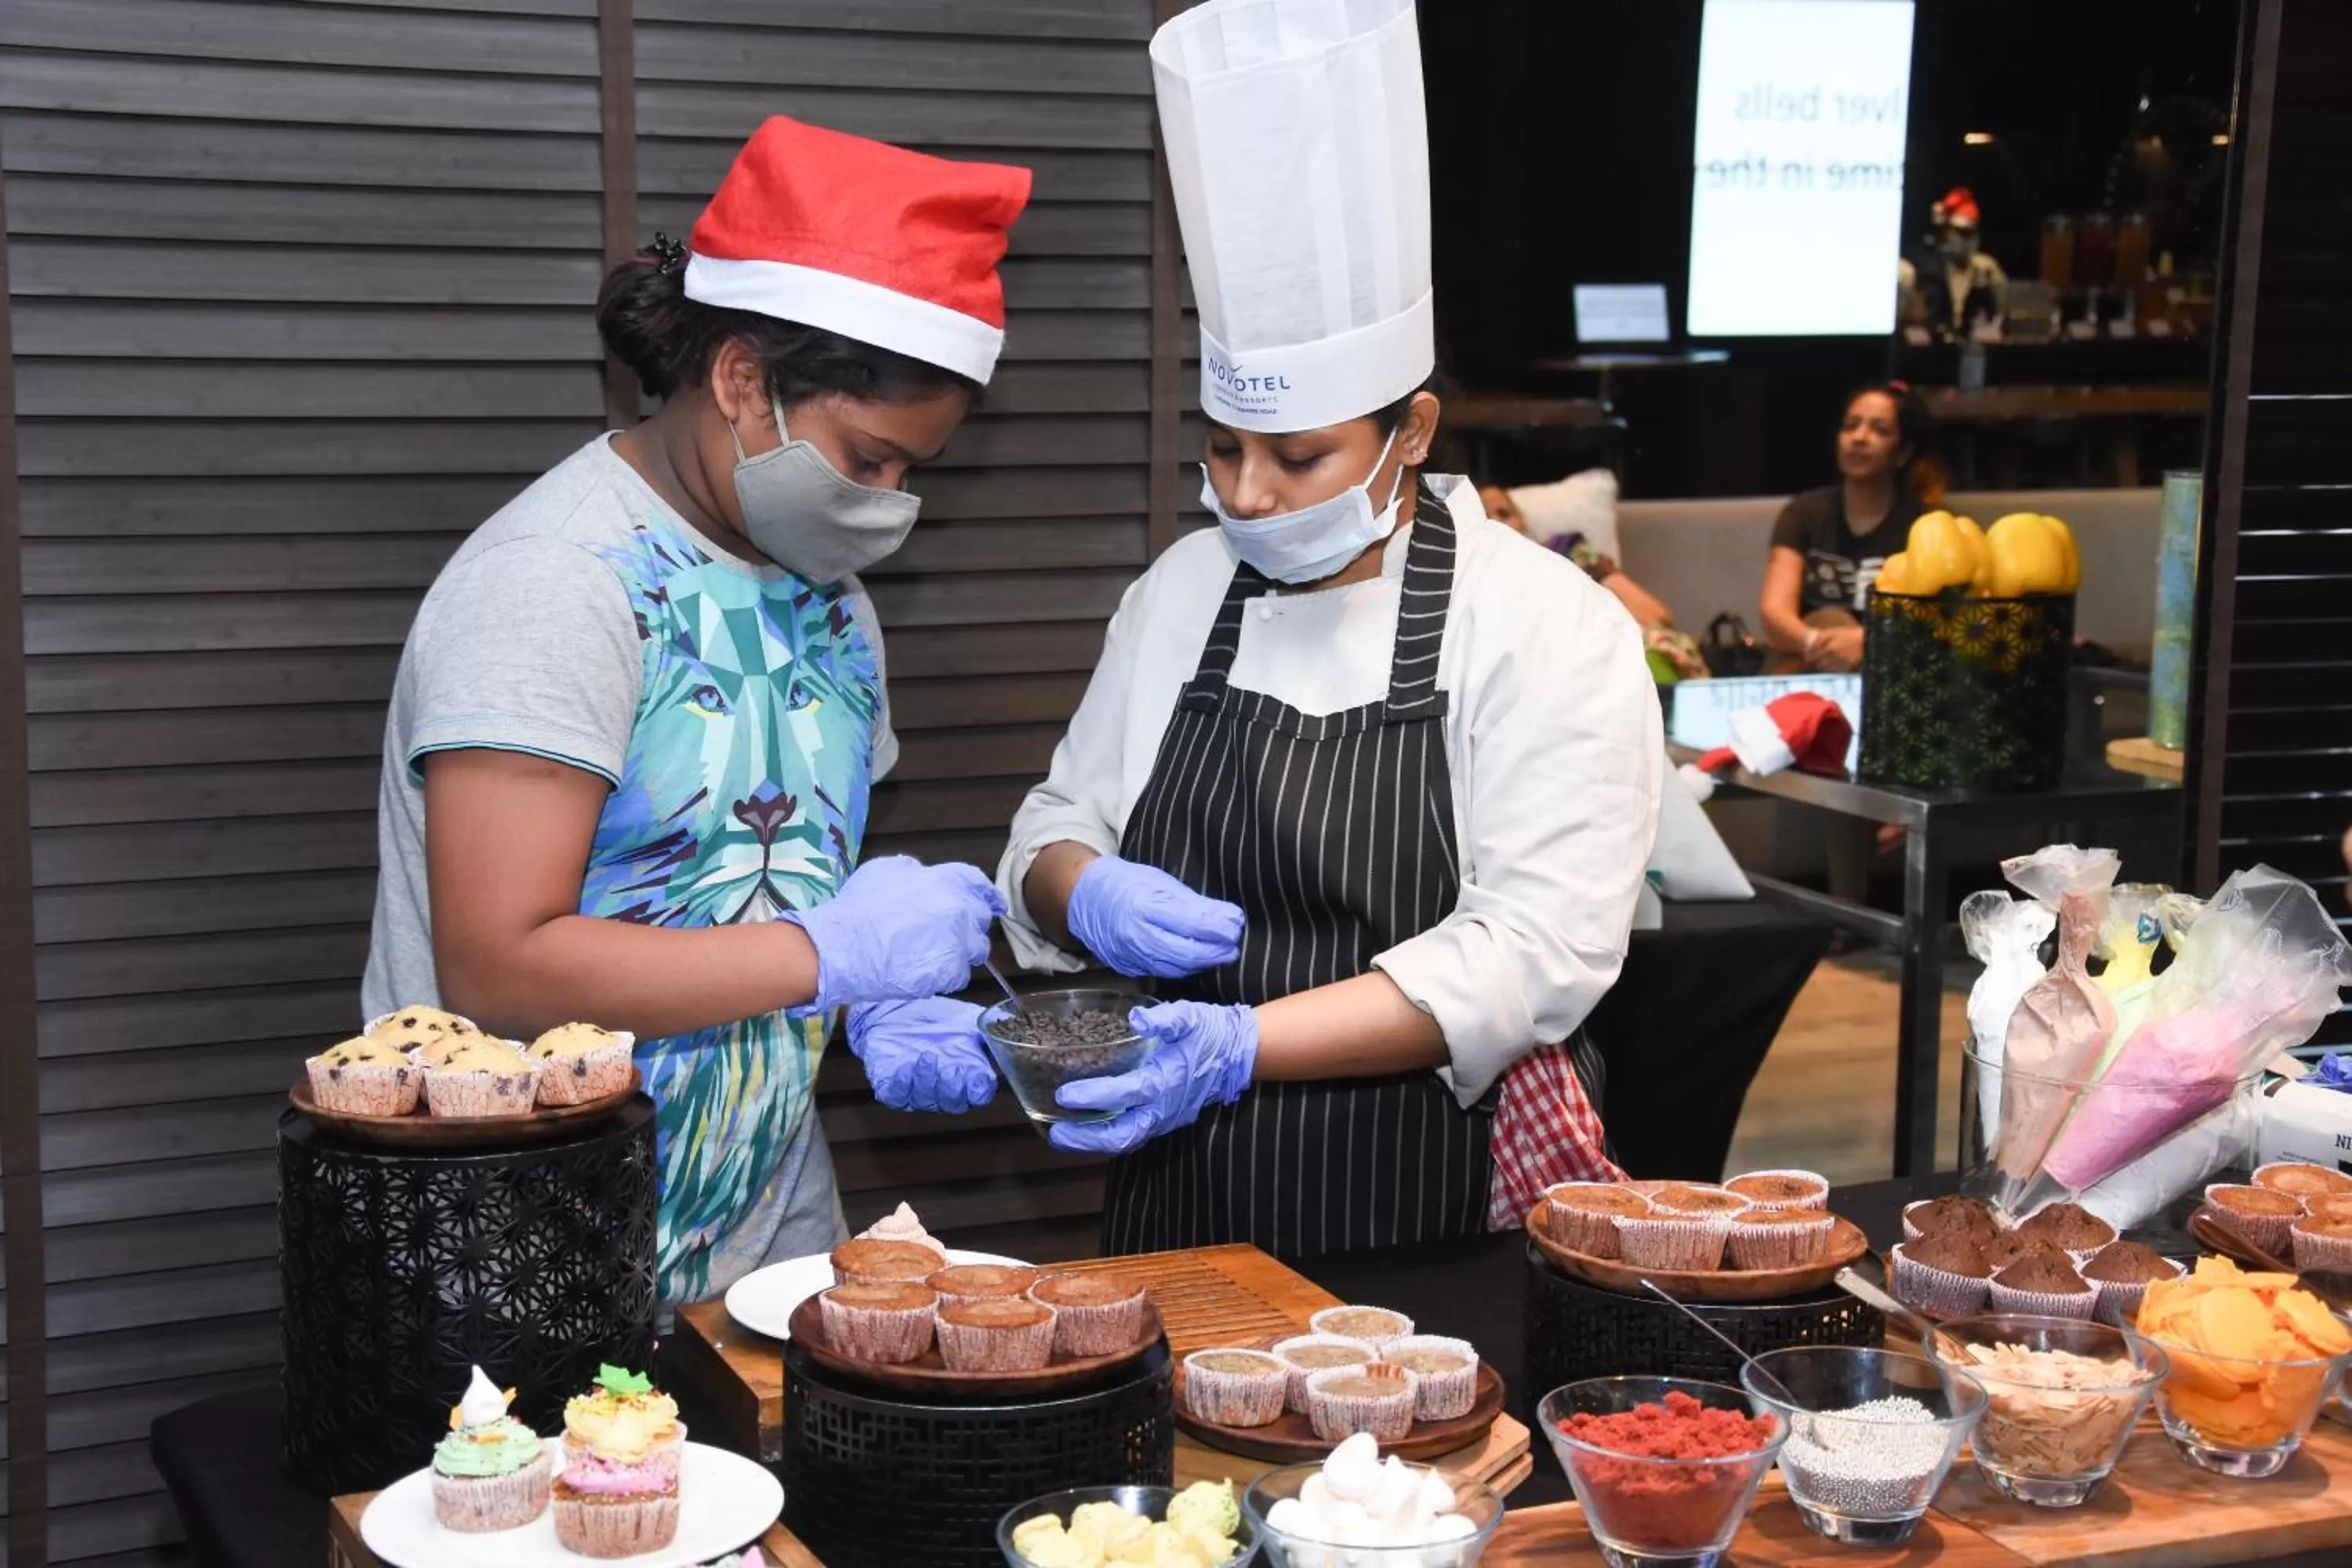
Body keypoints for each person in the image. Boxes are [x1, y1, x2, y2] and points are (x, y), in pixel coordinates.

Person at [975, 0, 1661, 1259]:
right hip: (1173, 1199)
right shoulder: (1183, 590)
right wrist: (1087, 891)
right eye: (1223, 449)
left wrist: (1238, 1044)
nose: (1246, 495)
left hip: (1423, 1212)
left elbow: (1533, 953)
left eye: (1298, 458)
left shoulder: (1543, 623)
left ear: (1413, 430)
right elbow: (1050, 828)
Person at [361, 116, 1030, 1308]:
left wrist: (879, 995)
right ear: (740, 380)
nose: (886, 503)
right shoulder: (557, 582)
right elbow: (498, 966)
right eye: (867, 458)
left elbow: (795, 892)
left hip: (764, 1236)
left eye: (913, 472)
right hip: (523, 1255)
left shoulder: (830, 598)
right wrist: (824, 958)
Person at [1759, 383, 1936, 673]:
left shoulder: (1925, 527)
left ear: (1903, 452)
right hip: (1807, 662)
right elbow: (1774, 613)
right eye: (1851, 426)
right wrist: (1819, 644)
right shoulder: (1804, 513)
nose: (1859, 438)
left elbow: (1936, 622)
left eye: (1880, 429)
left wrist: (1869, 644)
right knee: (1829, 619)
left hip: (1891, 669)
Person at [1900, 187, 2009, 337]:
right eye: (1961, 233)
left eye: (1973, 232)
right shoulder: (1915, 266)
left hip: (1966, 345)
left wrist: (1995, 326)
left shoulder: (1984, 268)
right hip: (1928, 346)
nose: (1968, 240)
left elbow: (2002, 313)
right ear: (1944, 231)